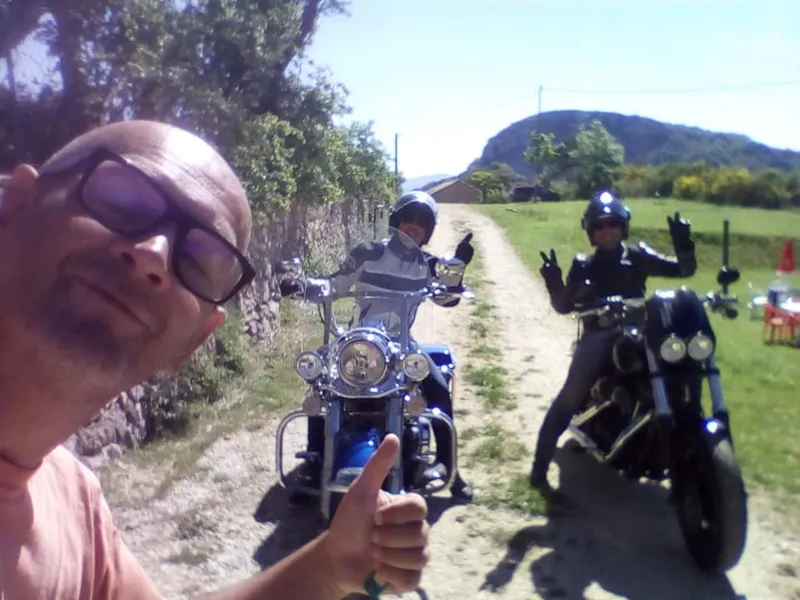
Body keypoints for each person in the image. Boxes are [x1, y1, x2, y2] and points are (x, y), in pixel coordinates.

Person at [0, 120, 430, 599]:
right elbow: (340, 281)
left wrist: (329, 568)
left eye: (199, 258)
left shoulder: (76, 506)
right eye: (123, 203)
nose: (153, 255)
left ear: (193, 340)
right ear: (14, 206)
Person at [282, 191, 475, 503]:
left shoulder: (427, 265)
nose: (413, 226)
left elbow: (446, 297)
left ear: (428, 230)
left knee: (438, 390)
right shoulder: (368, 252)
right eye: (408, 219)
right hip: (361, 342)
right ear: (396, 221)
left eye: (422, 222)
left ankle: (452, 470)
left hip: (402, 345)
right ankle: (314, 463)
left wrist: (458, 267)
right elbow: (335, 283)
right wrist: (303, 285)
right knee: (322, 386)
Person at [529, 190, 696, 492]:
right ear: (591, 232)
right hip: (600, 333)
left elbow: (683, 270)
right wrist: (554, 283)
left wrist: (683, 244)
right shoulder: (584, 263)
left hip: (642, 330)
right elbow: (565, 306)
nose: (608, 232)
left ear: (623, 226)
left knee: (680, 366)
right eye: (600, 226)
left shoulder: (638, 255)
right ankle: (539, 469)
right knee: (570, 395)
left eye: (613, 225)